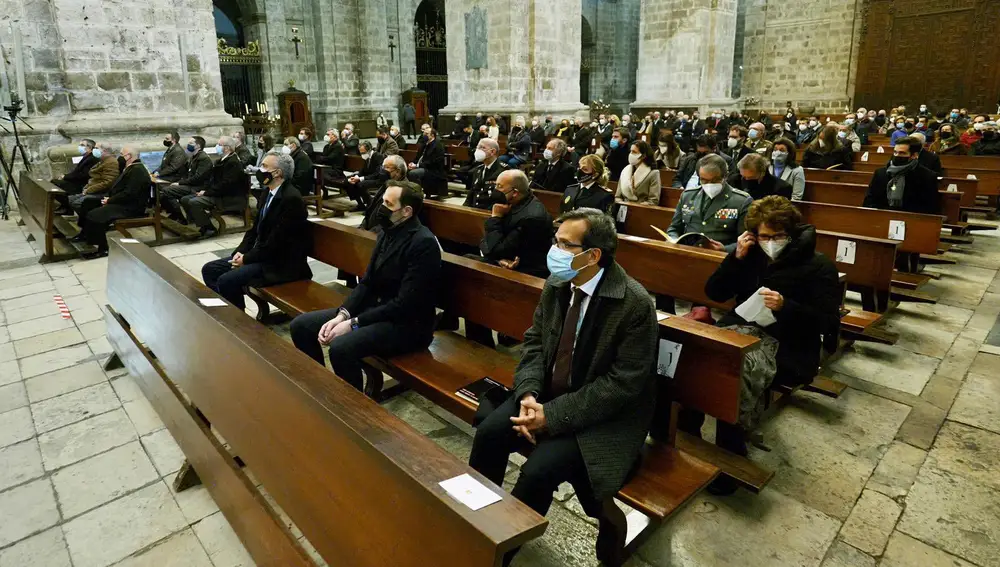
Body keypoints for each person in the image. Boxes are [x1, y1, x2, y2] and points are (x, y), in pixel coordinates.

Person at [468, 207, 657, 567]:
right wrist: (527, 394)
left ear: (593, 255)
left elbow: (623, 385)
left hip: (600, 416)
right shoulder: (558, 285)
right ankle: (476, 523)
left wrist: (550, 417)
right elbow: (536, 342)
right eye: (556, 241)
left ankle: (498, 554)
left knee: (539, 470)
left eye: (564, 244)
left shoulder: (633, 304)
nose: (554, 250)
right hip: (545, 395)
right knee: (490, 432)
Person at [689, 196, 840, 493]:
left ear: (792, 233)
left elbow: (827, 323)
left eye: (777, 236)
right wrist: (735, 258)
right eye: (763, 236)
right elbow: (715, 292)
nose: (769, 242)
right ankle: (687, 436)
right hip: (740, 329)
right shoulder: (751, 254)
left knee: (732, 370)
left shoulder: (818, 265)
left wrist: (786, 306)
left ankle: (730, 454)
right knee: (693, 355)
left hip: (789, 345)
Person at [290, 182, 440, 392]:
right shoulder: (388, 231)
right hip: (376, 311)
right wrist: (342, 315)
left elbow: (405, 303)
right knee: (301, 326)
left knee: (341, 348)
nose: (381, 206)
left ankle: (353, 408)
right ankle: (320, 387)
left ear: (406, 211)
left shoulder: (423, 243)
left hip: (407, 325)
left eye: (388, 203)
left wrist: (354, 323)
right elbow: (367, 281)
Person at [201, 152, 312, 310]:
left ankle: (239, 324)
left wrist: (246, 259)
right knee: (210, 270)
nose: (260, 169)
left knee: (227, 280)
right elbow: (254, 231)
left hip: (280, 265)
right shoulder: (268, 192)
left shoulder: (291, 199)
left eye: (265, 166)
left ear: (277, 173)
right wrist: (240, 253)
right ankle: (230, 312)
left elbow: (276, 243)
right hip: (263, 256)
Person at [863, 136, 939, 272]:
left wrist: (902, 218)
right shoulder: (881, 173)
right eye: (895, 152)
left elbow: (929, 206)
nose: (897, 156)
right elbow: (870, 198)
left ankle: (906, 269)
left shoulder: (926, 176)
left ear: (914, 155)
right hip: (882, 219)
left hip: (910, 222)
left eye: (902, 153)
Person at [78, 145, 151, 259]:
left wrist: (110, 200)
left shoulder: (138, 171)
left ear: (129, 156)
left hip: (130, 207)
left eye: (122, 155)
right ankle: (84, 234)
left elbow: (129, 194)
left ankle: (103, 249)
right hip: (121, 201)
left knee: (95, 215)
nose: (119, 157)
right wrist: (108, 197)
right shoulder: (130, 167)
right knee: (88, 203)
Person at [668, 154, 752, 252]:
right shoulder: (688, 195)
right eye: (704, 180)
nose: (709, 184)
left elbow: (747, 240)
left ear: (725, 176)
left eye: (715, 180)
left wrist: (725, 249)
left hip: (721, 257)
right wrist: (673, 240)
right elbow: (674, 228)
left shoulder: (741, 201)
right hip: (688, 252)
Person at [478, 170, 553, 279]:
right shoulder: (505, 204)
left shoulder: (532, 217)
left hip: (526, 272)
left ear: (515, 192)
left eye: (500, 186)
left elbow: (495, 249)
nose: (495, 190)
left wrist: (495, 218)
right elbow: (487, 241)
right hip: (505, 261)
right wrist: (497, 258)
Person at [180, 136, 248, 237]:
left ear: (227, 148)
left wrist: (207, 193)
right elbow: (212, 180)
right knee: (185, 199)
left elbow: (225, 185)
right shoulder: (220, 161)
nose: (217, 147)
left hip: (228, 197)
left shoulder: (233, 162)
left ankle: (210, 229)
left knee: (194, 202)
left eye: (219, 145)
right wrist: (204, 190)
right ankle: (202, 222)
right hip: (217, 193)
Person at [160, 137, 213, 223]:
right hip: (190, 185)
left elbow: (197, 178)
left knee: (167, 191)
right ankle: (178, 214)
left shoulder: (203, 158)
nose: (188, 145)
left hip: (197, 187)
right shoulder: (194, 157)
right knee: (163, 192)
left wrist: (180, 183)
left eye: (191, 143)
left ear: (198, 146)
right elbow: (188, 174)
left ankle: (181, 217)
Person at [360, 155, 408, 231]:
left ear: (398, 171)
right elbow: (371, 209)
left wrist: (369, 233)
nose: (382, 170)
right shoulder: (386, 184)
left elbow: (393, 221)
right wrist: (362, 227)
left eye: (387, 167)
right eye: (382, 167)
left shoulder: (403, 191)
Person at [52, 139, 100, 213]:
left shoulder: (92, 159)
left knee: (55, 184)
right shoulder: (86, 157)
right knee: (54, 183)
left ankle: (67, 207)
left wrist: (65, 177)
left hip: (82, 185)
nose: (79, 147)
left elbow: (83, 175)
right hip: (77, 182)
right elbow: (75, 172)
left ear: (90, 148)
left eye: (82, 145)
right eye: (80, 145)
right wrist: (65, 176)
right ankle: (65, 206)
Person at [464, 138, 509, 209]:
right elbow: (471, 194)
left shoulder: (504, 171)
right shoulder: (478, 170)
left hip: (490, 213)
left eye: (482, 148)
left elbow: (502, 200)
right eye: (477, 147)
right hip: (475, 211)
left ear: (492, 151)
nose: (478, 150)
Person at [727, 153, 792, 200]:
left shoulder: (782, 188)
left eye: (750, 177)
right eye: (743, 176)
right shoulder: (733, 181)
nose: (745, 179)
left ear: (762, 172)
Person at [615, 140, 661, 206]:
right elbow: (618, 197)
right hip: (623, 208)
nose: (630, 154)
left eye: (634, 152)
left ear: (643, 156)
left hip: (641, 210)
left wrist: (634, 207)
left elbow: (653, 201)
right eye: (630, 151)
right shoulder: (625, 171)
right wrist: (622, 204)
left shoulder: (653, 173)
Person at [406, 128, 447, 195]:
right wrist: (413, 163)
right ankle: (409, 192)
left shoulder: (438, 145)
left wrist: (417, 166)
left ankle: (417, 194)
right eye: (423, 133)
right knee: (405, 170)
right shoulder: (424, 145)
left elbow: (433, 162)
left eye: (426, 134)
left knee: (413, 173)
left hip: (432, 170)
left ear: (432, 135)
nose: (424, 135)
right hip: (422, 166)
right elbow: (417, 157)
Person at [345, 141, 385, 211]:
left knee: (361, 184)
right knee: (349, 181)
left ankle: (370, 206)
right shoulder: (367, 158)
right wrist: (357, 176)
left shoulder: (378, 156)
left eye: (363, 153)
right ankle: (360, 205)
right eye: (361, 153)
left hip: (378, 179)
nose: (362, 155)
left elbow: (377, 174)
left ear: (369, 150)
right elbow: (362, 170)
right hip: (370, 177)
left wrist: (361, 178)